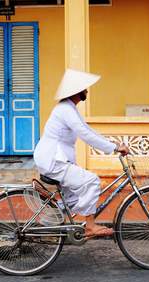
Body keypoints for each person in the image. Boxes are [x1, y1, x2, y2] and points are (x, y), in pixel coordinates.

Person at [34, 69, 129, 238]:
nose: (87, 91)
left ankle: (55, 218)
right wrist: (114, 148)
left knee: (73, 198)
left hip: (57, 159)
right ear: (76, 91)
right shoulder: (65, 109)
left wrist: (113, 144)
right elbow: (85, 135)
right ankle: (90, 226)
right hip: (53, 161)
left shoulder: (68, 108)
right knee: (92, 181)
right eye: (84, 88)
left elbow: (87, 130)